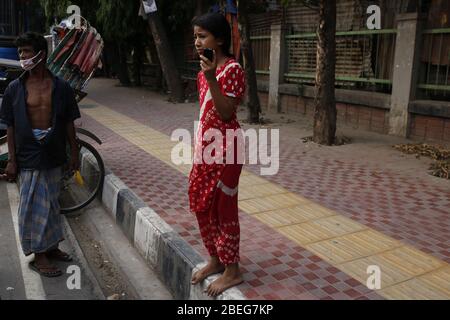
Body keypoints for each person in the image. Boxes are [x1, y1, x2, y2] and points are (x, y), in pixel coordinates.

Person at [0, 32, 81, 277]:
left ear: (41, 55)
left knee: (52, 203)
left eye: (26, 51)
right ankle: (39, 255)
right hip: (29, 153)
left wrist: (74, 152)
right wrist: (12, 161)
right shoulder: (15, 88)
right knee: (33, 206)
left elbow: (68, 122)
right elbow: (10, 126)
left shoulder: (61, 87)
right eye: (20, 52)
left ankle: (52, 246)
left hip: (54, 150)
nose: (22, 57)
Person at [189, 12, 246, 297]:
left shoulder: (232, 69)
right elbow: (206, 112)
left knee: (223, 207)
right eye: (196, 37)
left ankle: (232, 270)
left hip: (228, 149)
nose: (197, 42)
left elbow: (226, 113)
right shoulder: (204, 70)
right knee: (201, 202)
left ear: (220, 39)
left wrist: (212, 77)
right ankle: (215, 258)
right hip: (207, 147)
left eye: (202, 36)